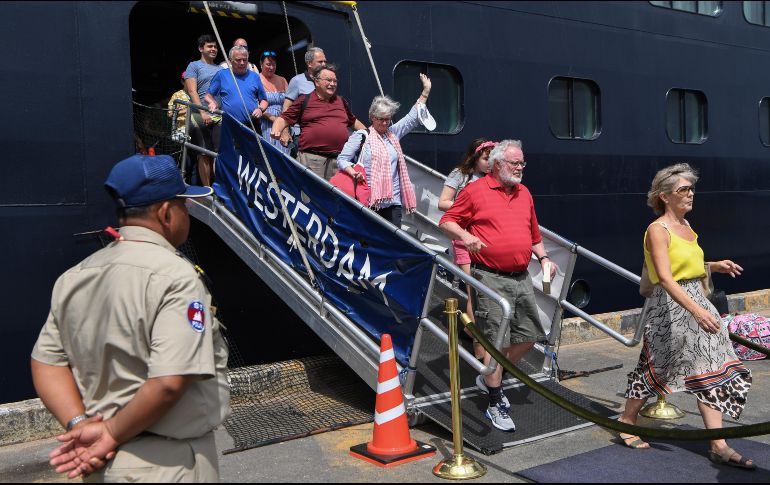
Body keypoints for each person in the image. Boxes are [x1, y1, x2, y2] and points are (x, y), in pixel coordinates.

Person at [31, 154, 230, 481]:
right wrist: (110, 432)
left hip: (98, 463)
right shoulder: (176, 277)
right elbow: (168, 382)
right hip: (167, 465)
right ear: (166, 213)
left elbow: (46, 362)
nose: (188, 214)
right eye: (185, 205)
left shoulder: (75, 276)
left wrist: (81, 424)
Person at [615, 163, 755, 469]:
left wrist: (715, 265)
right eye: (683, 189)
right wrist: (696, 310)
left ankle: (718, 444)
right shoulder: (657, 230)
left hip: (697, 302)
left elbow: (688, 268)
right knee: (656, 367)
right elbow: (665, 277)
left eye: (691, 188)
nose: (690, 194)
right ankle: (627, 418)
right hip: (670, 308)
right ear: (665, 196)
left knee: (711, 367)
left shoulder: (689, 228)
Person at [439, 140, 557, 432]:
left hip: (521, 276)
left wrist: (544, 258)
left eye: (522, 163)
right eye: (515, 163)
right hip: (489, 276)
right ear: (497, 164)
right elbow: (447, 220)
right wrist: (466, 238)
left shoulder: (524, 193)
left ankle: (491, 374)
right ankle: (494, 401)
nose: (520, 168)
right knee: (494, 339)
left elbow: (534, 233)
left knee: (529, 337)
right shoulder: (475, 191)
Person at [336, 74, 431, 227]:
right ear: (372, 117)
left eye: (388, 118)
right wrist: (353, 171)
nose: (385, 122)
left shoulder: (393, 133)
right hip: (368, 199)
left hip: (393, 201)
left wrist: (425, 92)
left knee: (393, 243)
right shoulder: (361, 136)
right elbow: (342, 159)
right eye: (381, 118)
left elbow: (412, 117)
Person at [438, 138, 494, 359]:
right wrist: (469, 206)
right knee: (474, 290)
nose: (490, 164)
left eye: (492, 159)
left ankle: (472, 330)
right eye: (485, 159)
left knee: (484, 288)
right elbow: (443, 202)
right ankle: (478, 348)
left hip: (484, 238)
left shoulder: (493, 179)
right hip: (462, 237)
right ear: (475, 157)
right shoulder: (460, 175)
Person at [271, 64, 366, 181]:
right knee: (310, 196)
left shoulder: (341, 101)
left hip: (338, 162)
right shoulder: (304, 100)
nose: (332, 84)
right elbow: (283, 119)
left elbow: (353, 121)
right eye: (328, 80)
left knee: (335, 198)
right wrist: (276, 129)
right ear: (316, 82)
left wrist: (368, 134)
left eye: (335, 81)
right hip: (312, 160)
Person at [185, 34, 223, 187]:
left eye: (215, 46)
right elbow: (192, 91)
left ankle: (219, 188)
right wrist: (203, 112)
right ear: (201, 48)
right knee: (204, 154)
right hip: (199, 114)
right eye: (210, 46)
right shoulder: (194, 66)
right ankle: (207, 189)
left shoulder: (221, 68)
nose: (214, 49)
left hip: (219, 115)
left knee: (218, 154)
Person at [205, 45, 268, 126]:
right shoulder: (222, 75)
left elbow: (264, 100)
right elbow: (208, 96)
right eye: (238, 60)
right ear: (230, 61)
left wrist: (260, 109)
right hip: (230, 125)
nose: (242, 63)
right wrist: (212, 102)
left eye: (244, 60)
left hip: (252, 125)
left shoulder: (254, 76)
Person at [280, 46, 327, 148]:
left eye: (324, 61)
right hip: (302, 136)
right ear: (309, 63)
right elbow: (286, 108)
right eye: (320, 62)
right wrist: (284, 131)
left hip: (325, 135)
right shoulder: (297, 81)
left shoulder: (328, 83)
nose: (324, 64)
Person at [258, 50, 290, 155]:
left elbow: (290, 103)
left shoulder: (282, 80)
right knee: (271, 156)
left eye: (274, 64)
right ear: (261, 64)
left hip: (285, 123)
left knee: (286, 156)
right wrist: (275, 120)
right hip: (266, 124)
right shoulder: (256, 79)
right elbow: (255, 105)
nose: (271, 67)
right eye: (268, 64)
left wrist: (284, 125)